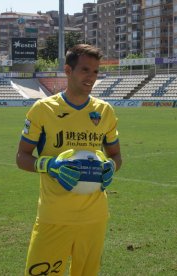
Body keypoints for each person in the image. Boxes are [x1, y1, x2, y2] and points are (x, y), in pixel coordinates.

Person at [16, 44, 122, 276]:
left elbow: (116, 155)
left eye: (95, 72)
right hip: (54, 216)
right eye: (85, 70)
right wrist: (49, 165)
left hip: (95, 217)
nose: (91, 77)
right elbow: (21, 157)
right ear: (67, 70)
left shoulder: (105, 111)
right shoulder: (43, 109)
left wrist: (110, 168)